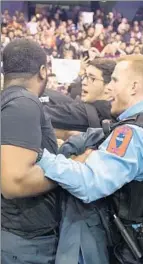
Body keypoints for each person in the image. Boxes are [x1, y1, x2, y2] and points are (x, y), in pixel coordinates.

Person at [37, 54, 143, 263]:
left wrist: (43, 158)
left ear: (133, 87)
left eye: (114, 80)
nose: (109, 88)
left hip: (134, 248)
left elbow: (89, 183)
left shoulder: (133, 135)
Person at [1, 39, 60, 264]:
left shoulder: (10, 101)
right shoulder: (23, 103)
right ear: (43, 71)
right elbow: (14, 183)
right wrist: (72, 165)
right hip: (25, 242)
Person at [44, 59, 116, 140]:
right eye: (85, 76)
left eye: (92, 78)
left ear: (108, 86)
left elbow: (41, 113)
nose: (84, 82)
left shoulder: (84, 112)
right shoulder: (118, 113)